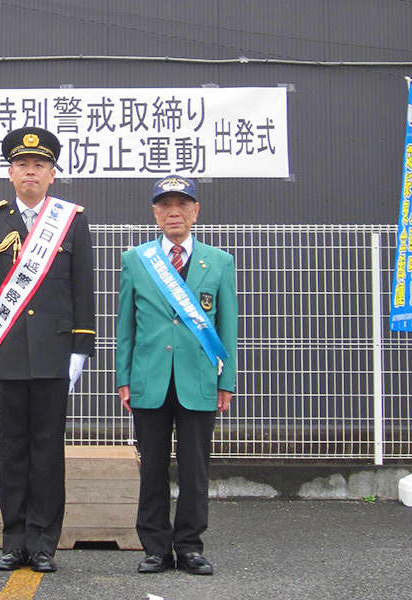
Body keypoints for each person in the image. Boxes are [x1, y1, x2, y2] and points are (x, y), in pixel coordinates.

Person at [0, 127, 96, 573]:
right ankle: (13, 540)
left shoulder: (71, 219)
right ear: (10, 172)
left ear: (52, 174)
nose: (30, 172)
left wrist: (81, 347)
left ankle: (43, 542)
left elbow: (83, 287)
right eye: (22, 164)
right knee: (11, 450)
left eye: (39, 165)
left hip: (53, 353)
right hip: (5, 352)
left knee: (48, 450)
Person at [115, 175, 237, 576]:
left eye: (182, 204)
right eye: (165, 205)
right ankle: (154, 547)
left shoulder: (219, 261)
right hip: (149, 379)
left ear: (195, 211)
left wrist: (226, 380)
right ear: (154, 212)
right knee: (151, 467)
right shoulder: (136, 259)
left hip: (199, 379)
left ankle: (189, 546)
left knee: (194, 468)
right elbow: (126, 325)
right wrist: (123, 377)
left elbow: (228, 327)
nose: (174, 212)